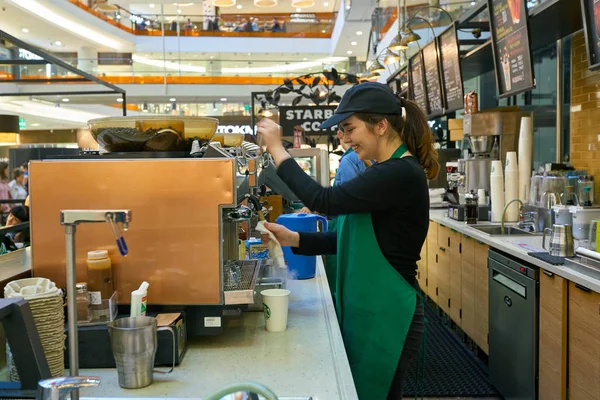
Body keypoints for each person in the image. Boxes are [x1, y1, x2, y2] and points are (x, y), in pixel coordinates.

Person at [256, 82, 439, 399]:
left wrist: (277, 148)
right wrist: (294, 238)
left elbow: (323, 200)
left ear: (381, 125)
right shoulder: (385, 171)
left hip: (389, 314)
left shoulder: (399, 173)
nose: (343, 138)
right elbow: (351, 239)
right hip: (374, 308)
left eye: (349, 128)